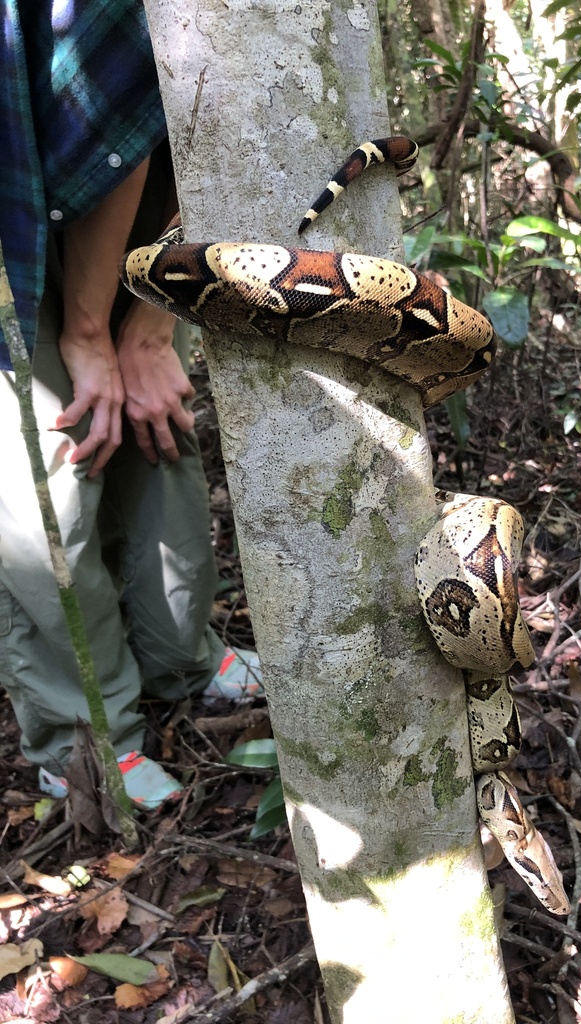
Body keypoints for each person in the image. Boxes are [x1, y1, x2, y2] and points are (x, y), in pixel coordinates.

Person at [0, 0, 262, 810]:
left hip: (151, 206)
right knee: (53, 471)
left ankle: (181, 655)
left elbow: (194, 120)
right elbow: (111, 96)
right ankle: (85, 735)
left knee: (156, 425)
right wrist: (82, 329)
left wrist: (146, 325)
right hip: (19, 208)